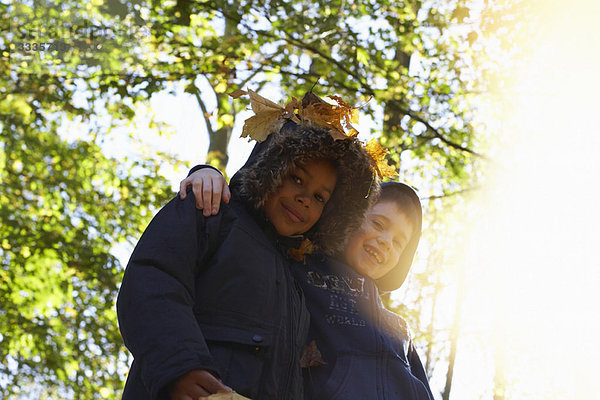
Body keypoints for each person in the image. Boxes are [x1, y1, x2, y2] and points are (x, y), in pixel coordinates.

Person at [117, 120, 378, 400]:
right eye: (297, 178)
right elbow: (153, 281)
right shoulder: (211, 211)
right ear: (271, 169)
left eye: (319, 197)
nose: (304, 199)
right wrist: (180, 367)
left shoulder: (299, 277)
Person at [180, 172, 434, 399]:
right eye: (378, 224)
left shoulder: (399, 328)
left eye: (400, 242)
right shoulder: (300, 268)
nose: (386, 241)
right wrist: (208, 174)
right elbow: (255, 217)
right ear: (349, 219)